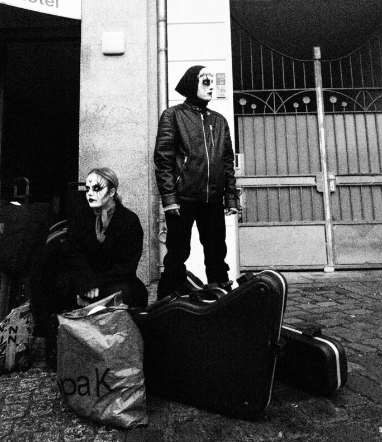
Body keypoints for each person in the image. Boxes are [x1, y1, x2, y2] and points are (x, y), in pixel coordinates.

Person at [30, 167, 148, 370]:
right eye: (87, 189)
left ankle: (115, 351)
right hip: (84, 279)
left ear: (112, 192)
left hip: (113, 280)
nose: (90, 193)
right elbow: (72, 253)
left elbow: (126, 265)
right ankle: (60, 345)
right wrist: (84, 283)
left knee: (127, 294)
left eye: (97, 188)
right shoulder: (81, 216)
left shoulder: (129, 221)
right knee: (56, 284)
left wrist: (95, 287)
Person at [154, 65, 239, 300]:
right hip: (182, 199)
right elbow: (163, 159)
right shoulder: (173, 115)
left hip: (213, 199)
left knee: (216, 252)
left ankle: (220, 300)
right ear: (192, 84)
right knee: (177, 253)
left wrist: (230, 198)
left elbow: (227, 162)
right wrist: (169, 199)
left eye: (212, 82)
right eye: (205, 81)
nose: (211, 87)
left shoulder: (219, 121)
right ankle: (166, 304)